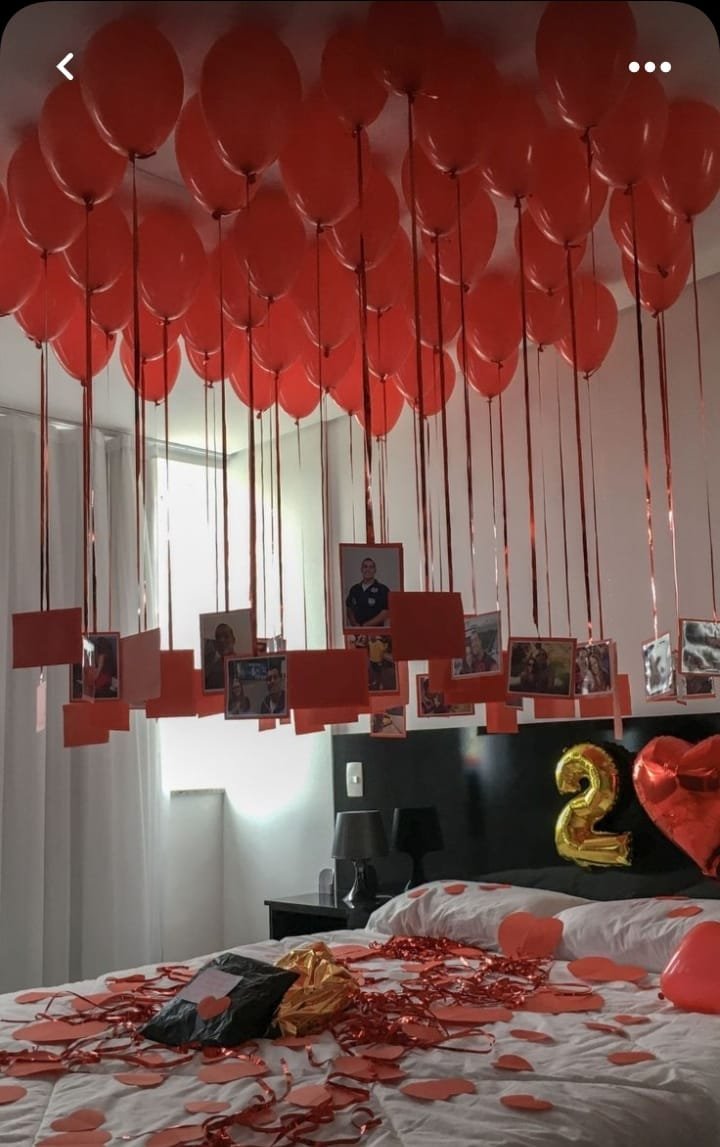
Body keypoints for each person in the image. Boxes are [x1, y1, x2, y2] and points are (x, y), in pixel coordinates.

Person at [345, 557, 390, 628]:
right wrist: (355, 624)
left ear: (375, 570)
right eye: (365, 567)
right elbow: (349, 609)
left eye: (371, 567)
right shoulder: (354, 589)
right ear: (361, 569)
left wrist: (366, 626)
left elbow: (385, 612)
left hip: (376, 631)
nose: (368, 570)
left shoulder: (383, 589)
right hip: (357, 631)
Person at [204, 623, 236, 691]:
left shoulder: (240, 663)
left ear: (233, 640)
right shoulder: (208, 663)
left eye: (226, 636)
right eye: (218, 637)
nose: (221, 640)